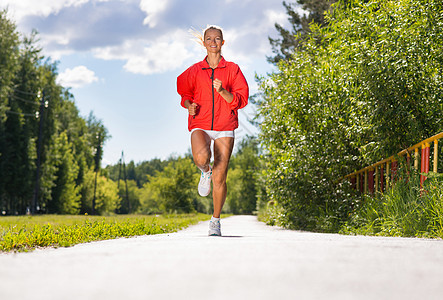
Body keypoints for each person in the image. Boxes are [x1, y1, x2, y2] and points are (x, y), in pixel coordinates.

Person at [177, 25, 249, 236]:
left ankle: (215, 220)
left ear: (222, 43)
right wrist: (188, 105)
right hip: (200, 122)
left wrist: (222, 91)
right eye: (209, 38)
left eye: (217, 39)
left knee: (220, 176)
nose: (213, 42)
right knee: (201, 158)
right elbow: (184, 93)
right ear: (204, 42)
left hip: (225, 126)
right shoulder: (194, 71)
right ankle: (204, 171)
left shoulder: (233, 69)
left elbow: (240, 100)